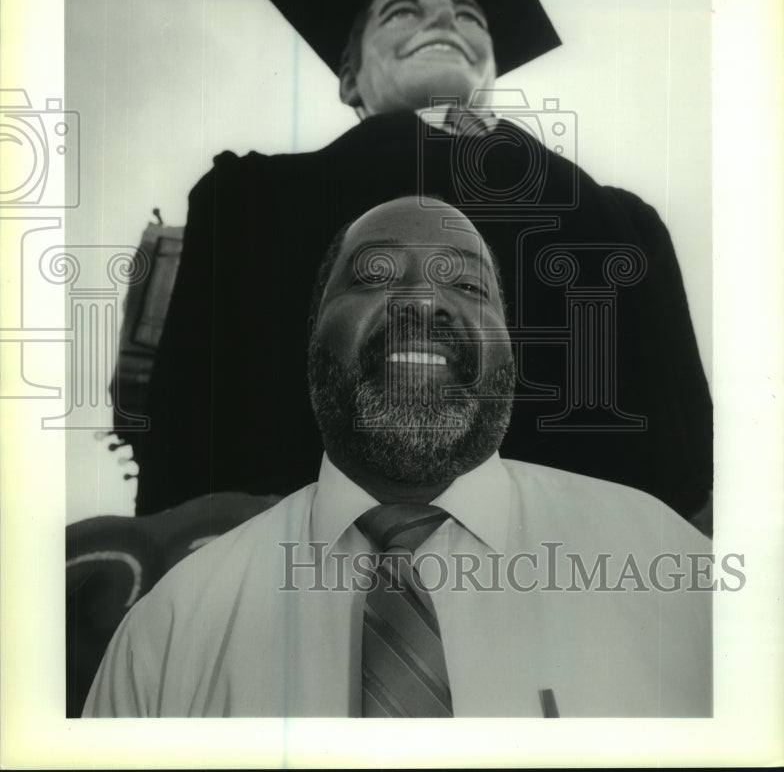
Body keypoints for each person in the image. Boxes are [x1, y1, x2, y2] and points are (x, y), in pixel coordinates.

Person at [127, 0, 712, 525]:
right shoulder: (249, 198)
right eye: (403, 10)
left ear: (491, 64)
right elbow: (185, 437)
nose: (444, 22)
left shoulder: (624, 222)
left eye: (470, 15)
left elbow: (684, 465)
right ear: (349, 76)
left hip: (576, 568)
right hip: (294, 566)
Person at [87, 197, 712, 717]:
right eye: (375, 276)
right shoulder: (168, 632)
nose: (420, 302)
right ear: (314, 337)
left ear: (510, 349)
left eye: (467, 284)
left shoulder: (673, 571)